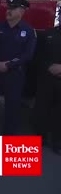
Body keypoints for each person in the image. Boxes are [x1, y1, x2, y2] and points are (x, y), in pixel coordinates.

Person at [0, 0, 36, 136]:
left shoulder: (28, 31)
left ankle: (9, 136)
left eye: (13, 8)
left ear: (22, 11)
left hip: (14, 75)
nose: (8, 11)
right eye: (8, 8)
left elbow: (28, 54)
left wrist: (9, 65)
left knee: (12, 107)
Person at [34, 17, 61, 154]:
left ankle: (57, 141)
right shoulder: (47, 34)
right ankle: (41, 138)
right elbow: (38, 56)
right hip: (46, 78)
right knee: (42, 109)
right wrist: (49, 67)